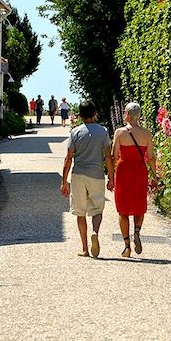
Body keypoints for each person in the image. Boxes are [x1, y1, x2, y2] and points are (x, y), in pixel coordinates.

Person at [60, 100, 114, 258]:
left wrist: (64, 181)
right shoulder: (103, 131)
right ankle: (95, 232)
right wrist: (111, 177)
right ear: (95, 113)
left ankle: (84, 248)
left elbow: (68, 158)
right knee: (97, 209)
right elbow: (108, 157)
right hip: (96, 174)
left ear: (80, 115)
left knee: (80, 212)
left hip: (78, 175)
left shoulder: (75, 132)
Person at [111, 102, 157, 258]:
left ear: (129, 115)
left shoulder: (120, 132)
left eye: (124, 112)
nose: (123, 114)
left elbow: (114, 155)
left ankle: (126, 246)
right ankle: (137, 231)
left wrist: (111, 176)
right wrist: (155, 176)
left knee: (122, 209)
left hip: (124, 170)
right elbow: (151, 157)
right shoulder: (147, 134)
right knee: (139, 204)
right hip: (140, 170)